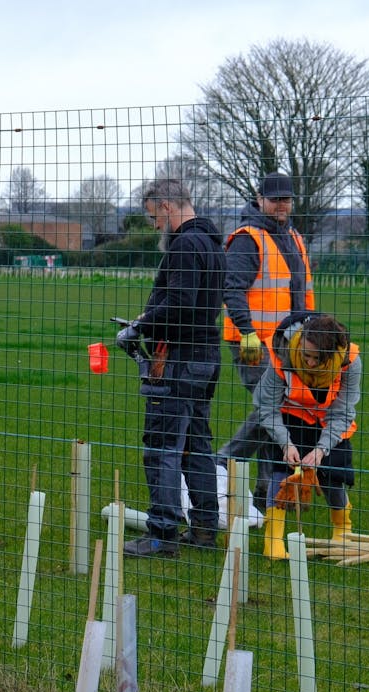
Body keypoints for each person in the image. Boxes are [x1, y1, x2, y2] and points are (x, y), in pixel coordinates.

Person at [118, 178, 225, 557]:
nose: (154, 226)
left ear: (166, 206)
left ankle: (161, 532)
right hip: (205, 356)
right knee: (197, 446)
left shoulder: (185, 244)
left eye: (153, 217)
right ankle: (205, 530)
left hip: (178, 359)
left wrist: (141, 325)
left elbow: (179, 302)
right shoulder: (213, 243)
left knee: (163, 446)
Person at [218, 172, 314, 510]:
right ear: (259, 199)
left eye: (286, 199)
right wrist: (246, 332)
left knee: (279, 411)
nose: (281, 204)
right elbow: (232, 288)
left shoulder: (293, 237)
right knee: (273, 407)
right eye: (275, 199)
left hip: (291, 343)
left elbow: (299, 293)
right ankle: (225, 462)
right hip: (254, 343)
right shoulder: (247, 239)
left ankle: (264, 494)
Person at [254, 312, 360, 559]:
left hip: (330, 423)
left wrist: (321, 450)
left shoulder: (351, 361)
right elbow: (266, 407)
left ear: (334, 355)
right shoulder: (282, 353)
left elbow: (342, 413)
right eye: (306, 356)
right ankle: (273, 541)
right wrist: (285, 443)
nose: (310, 363)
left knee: (332, 476)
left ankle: (342, 530)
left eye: (317, 359)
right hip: (291, 418)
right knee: (281, 473)